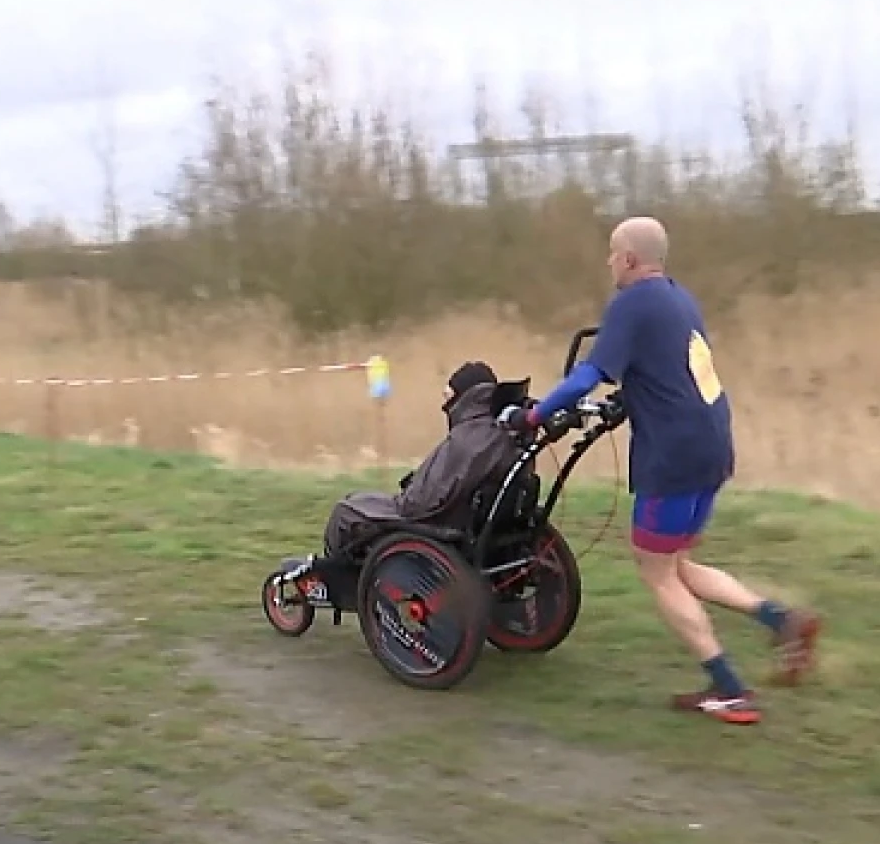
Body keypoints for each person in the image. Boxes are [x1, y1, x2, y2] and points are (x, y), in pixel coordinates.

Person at [515, 216, 821, 726]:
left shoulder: (631, 303)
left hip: (673, 456)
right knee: (676, 562)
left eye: (613, 254)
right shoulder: (680, 299)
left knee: (655, 570)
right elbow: (669, 374)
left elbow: (586, 375)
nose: (609, 262)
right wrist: (624, 402)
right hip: (711, 446)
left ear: (630, 259)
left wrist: (535, 415)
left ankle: (729, 688)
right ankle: (781, 620)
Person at [310, 360, 518, 564]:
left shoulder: (468, 440)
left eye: (448, 395)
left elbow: (418, 505)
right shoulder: (500, 434)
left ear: (465, 397)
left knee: (345, 511)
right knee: (360, 499)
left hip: (441, 526)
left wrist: (410, 489)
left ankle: (337, 579)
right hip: (470, 523)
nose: (444, 404)